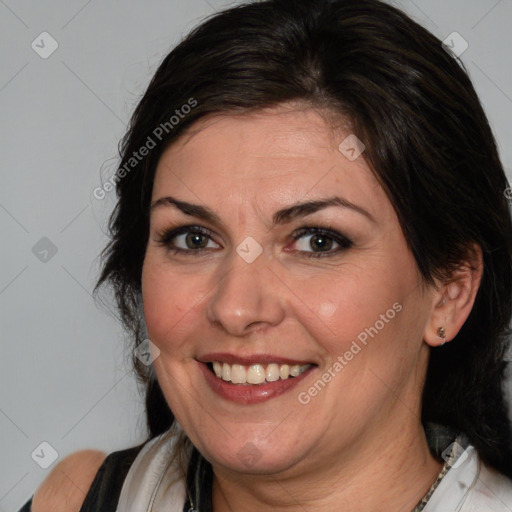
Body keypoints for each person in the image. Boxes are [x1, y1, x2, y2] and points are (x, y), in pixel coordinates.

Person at [20, 0, 512, 510]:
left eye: (318, 241)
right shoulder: (79, 497)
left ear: (450, 292)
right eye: (193, 238)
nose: (235, 308)